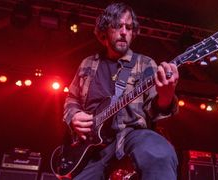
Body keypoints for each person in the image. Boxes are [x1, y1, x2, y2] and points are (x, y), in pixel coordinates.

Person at [63, 2, 179, 180]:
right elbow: (72, 98)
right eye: (118, 26)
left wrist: (167, 93)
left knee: (159, 151)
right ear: (104, 30)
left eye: (129, 27)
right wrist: (74, 116)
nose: (124, 32)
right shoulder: (88, 64)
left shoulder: (145, 64)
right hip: (91, 147)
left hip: (131, 135)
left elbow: (157, 109)